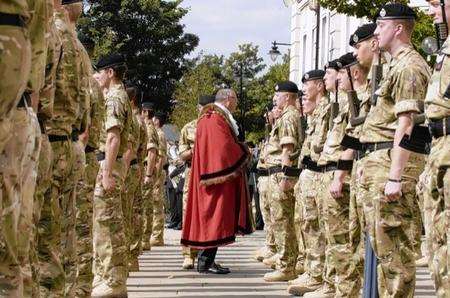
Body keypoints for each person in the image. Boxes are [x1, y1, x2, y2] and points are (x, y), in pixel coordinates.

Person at [358, 3, 431, 296]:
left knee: (396, 257)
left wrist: (395, 177)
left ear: (398, 28)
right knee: (383, 250)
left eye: (381, 26)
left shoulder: (410, 66)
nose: (376, 32)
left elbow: (407, 123)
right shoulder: (395, 65)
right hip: (381, 161)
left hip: (393, 163)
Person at [181, 89, 253, 274]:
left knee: (216, 219)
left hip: (213, 178)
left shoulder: (213, 117)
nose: (236, 104)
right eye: (235, 99)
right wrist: (243, 151)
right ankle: (205, 262)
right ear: (228, 99)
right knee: (214, 219)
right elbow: (222, 148)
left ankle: (208, 260)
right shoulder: (214, 119)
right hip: (215, 179)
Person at [91, 53, 132, 297]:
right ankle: (111, 278)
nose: (99, 77)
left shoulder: (116, 97)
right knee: (108, 222)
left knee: (107, 224)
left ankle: (113, 280)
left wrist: (106, 174)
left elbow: (113, 137)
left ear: (110, 73)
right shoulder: (120, 96)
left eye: (101, 72)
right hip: (112, 164)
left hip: (109, 164)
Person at [287, 70, 329, 295]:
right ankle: (313, 272)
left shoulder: (327, 108)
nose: (303, 90)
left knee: (317, 227)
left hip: (321, 174)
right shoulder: (314, 112)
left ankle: (318, 275)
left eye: (308, 84)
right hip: (310, 173)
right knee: (307, 224)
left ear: (319, 86)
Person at [263, 81, 304, 282]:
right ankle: (286, 260)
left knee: (283, 221)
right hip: (277, 172)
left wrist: (287, 175)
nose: (275, 99)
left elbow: (288, 149)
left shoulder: (289, 117)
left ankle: (287, 265)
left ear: (287, 97)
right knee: (280, 220)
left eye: (278, 95)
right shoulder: (287, 116)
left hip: (281, 173)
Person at [423, 1, 450, 296]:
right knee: (438, 241)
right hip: (440, 150)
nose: (430, 12)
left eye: (434, 4)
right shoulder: (444, 47)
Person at [178, 94, 215, 269]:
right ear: (198, 108)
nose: (206, 112)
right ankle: (188, 255)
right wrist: (197, 149)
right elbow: (182, 154)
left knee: (209, 215)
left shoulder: (218, 127)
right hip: (192, 173)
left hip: (211, 175)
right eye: (203, 108)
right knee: (188, 213)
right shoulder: (188, 128)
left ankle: (205, 254)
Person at [141, 102, 159, 251]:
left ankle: (144, 240)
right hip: (143, 168)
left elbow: (152, 152)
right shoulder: (147, 127)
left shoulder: (149, 128)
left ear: (146, 112)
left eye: (142, 111)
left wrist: (148, 174)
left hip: (145, 169)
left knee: (145, 207)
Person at [150, 112, 168, 246]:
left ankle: (157, 235)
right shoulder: (155, 133)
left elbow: (161, 156)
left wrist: (155, 175)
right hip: (154, 170)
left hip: (157, 171)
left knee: (157, 203)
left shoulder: (159, 134)